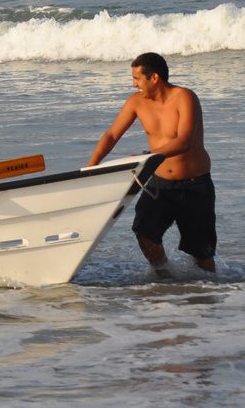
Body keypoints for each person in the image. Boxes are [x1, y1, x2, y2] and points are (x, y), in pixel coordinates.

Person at [88, 52, 216, 276]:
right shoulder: (136, 102)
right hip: (160, 185)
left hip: (195, 186)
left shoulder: (185, 97)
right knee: (144, 233)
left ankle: (208, 296)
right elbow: (111, 135)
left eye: (137, 78)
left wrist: (144, 157)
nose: (133, 83)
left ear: (154, 78)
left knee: (202, 252)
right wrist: (92, 167)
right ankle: (166, 279)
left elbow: (184, 142)